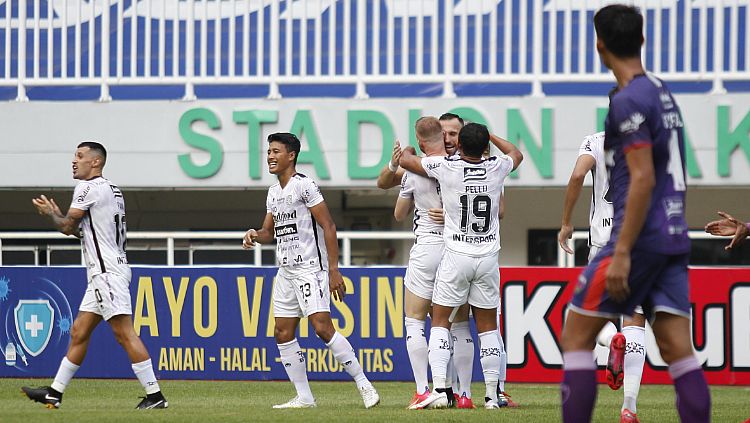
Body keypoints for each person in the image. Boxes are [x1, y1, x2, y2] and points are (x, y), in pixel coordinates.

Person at [560, 5, 710, 423]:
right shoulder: (662, 90)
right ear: (642, 41)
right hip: (672, 235)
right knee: (679, 350)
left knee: (575, 334)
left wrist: (622, 250)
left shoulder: (626, 102)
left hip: (637, 238)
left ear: (599, 45)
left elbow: (642, 177)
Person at [23, 141, 168, 410]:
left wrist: (51, 215)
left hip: (107, 273)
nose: (74, 161)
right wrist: (59, 216)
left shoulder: (87, 188)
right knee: (79, 331)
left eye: (80, 156)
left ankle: (155, 396)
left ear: (96, 162)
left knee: (124, 334)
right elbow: (83, 231)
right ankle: (55, 392)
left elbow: (68, 226)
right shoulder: (112, 189)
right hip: (109, 270)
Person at [242, 132, 379, 409]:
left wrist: (333, 271)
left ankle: (365, 385)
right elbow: (270, 232)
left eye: (276, 151)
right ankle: (304, 397)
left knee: (322, 327)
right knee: (282, 332)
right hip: (285, 271)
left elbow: (329, 226)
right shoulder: (273, 192)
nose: (270, 156)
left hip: (309, 269)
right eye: (269, 151)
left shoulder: (304, 186)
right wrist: (254, 234)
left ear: (291, 156)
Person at [400, 123, 523, 410]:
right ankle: (493, 396)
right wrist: (490, 135)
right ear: (483, 148)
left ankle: (441, 389)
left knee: (441, 322)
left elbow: (407, 161)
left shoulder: (446, 166)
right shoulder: (497, 167)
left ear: (460, 145)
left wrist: (405, 151)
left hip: (456, 255)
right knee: (488, 329)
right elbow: (516, 153)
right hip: (488, 258)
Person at [558, 132, 647, 421]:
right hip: (640, 244)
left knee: (586, 316)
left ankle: (611, 340)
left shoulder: (595, 141)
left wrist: (567, 222)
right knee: (636, 320)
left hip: (604, 244)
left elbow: (576, 176)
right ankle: (629, 407)